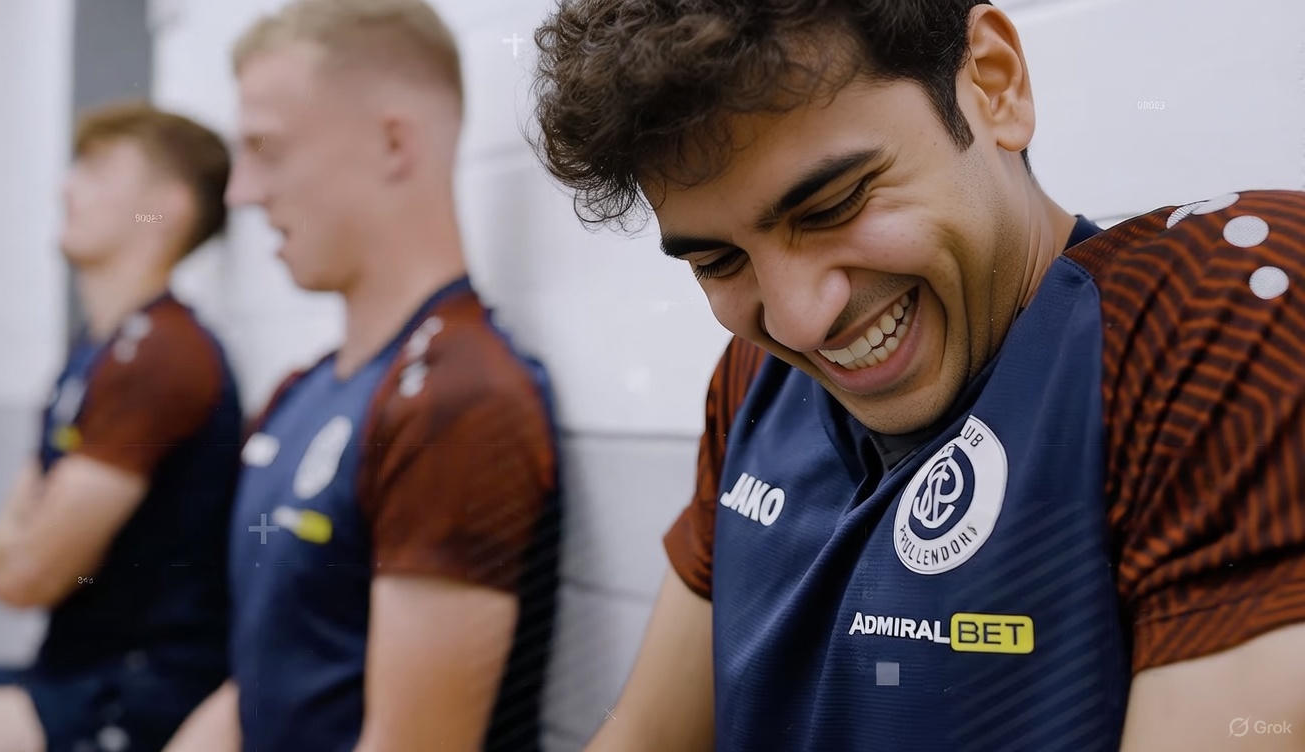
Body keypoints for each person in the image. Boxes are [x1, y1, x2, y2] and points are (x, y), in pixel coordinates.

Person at [531, 1, 1305, 749]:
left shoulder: (1221, 313)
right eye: (718, 261)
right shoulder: (755, 384)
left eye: (834, 205)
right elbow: (643, 735)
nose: (798, 323)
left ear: (993, 84)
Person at [164, 1, 560, 750]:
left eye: (267, 149)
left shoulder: (458, 398)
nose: (241, 192)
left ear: (392, 143)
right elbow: (262, 683)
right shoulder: (302, 393)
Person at [0, 102, 241, 752]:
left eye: (98, 171)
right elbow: (9, 565)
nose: (66, 188)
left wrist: (24, 538)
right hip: (72, 666)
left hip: (141, 686)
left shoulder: (161, 355)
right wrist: (23, 544)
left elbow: (26, 576)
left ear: (163, 210)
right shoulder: (99, 349)